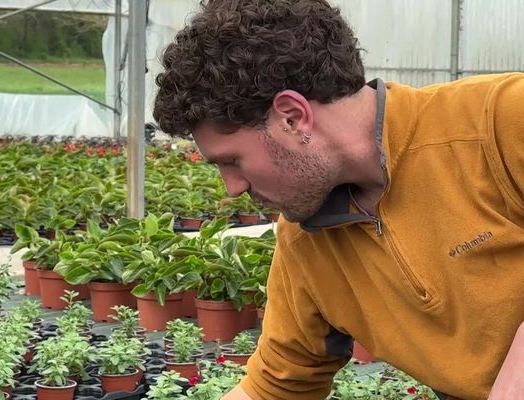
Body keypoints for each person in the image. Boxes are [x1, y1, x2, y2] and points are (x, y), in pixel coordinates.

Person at [152, 1, 524, 399]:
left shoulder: (499, 120)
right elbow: (276, 386)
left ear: (293, 117)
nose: (232, 188)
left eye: (232, 161)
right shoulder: (305, 241)